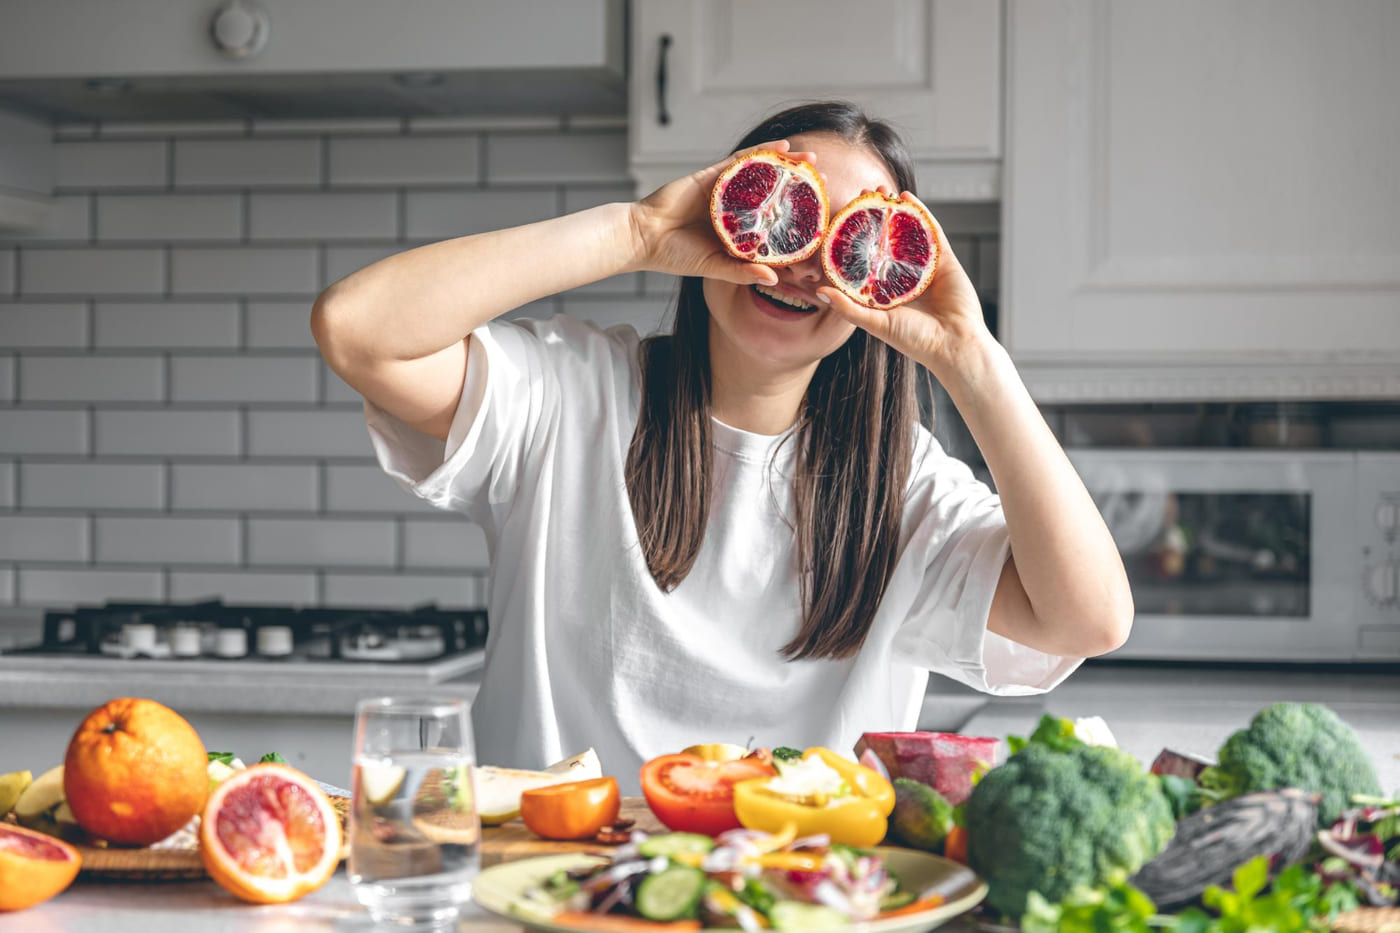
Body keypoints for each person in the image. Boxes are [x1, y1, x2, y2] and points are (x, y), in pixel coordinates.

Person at [311, 101, 1133, 784]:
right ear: (721, 214)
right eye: (782, 214)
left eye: (850, 240)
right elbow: (355, 329)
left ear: (881, 284)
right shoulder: (568, 394)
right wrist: (635, 232)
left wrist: (970, 358)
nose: (804, 263)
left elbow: (1089, 618)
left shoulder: (903, 484)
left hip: (792, 890)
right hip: (541, 880)